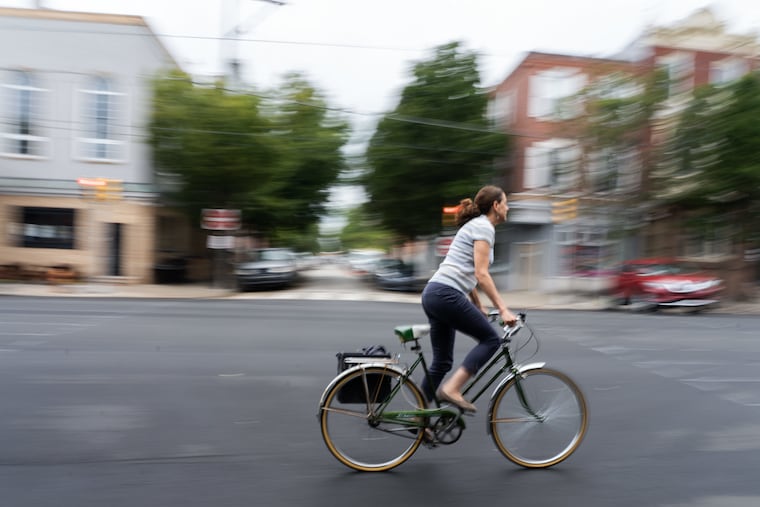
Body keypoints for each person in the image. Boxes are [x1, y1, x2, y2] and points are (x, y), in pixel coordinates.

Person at [421, 185, 517, 412]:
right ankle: (452, 389)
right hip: (446, 293)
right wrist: (503, 309)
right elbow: (481, 273)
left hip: (434, 293)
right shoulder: (484, 227)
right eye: (505, 202)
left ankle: (419, 417)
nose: (508, 207)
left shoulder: (476, 226)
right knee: (491, 340)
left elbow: (466, 269)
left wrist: (477, 304)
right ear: (496, 206)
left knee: (442, 362)